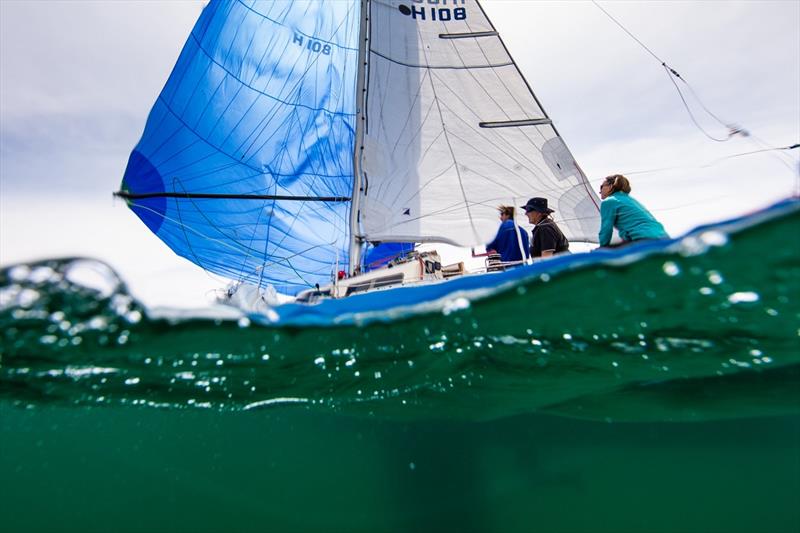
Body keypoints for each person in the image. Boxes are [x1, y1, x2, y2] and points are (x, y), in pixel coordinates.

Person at [598, 174, 668, 247]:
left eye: (601, 187)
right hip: (664, 237)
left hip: (643, 239)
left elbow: (606, 230)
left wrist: (602, 249)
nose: (600, 191)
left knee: (600, 252)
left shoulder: (609, 201)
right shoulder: (631, 200)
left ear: (610, 186)